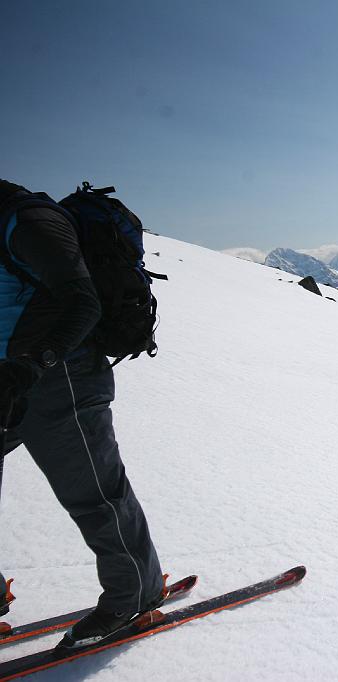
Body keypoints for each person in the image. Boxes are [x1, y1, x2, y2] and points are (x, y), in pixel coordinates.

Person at [0, 179, 164, 648]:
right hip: (7, 378)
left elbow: (82, 303)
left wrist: (30, 365)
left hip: (59, 377)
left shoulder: (28, 221)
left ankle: (134, 593)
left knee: (94, 492)